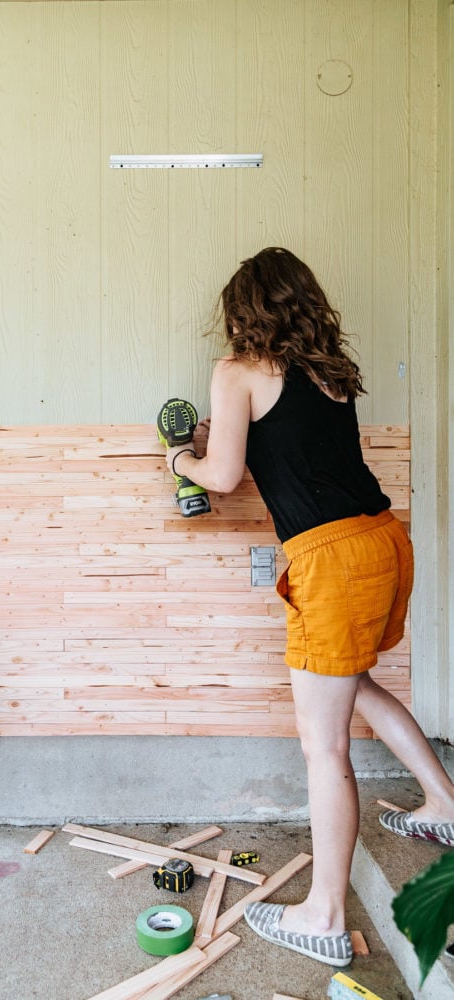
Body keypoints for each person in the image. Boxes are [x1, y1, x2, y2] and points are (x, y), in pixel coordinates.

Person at [165, 247, 454, 968]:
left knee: (322, 749)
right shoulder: (329, 373)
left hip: (331, 561)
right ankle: (445, 802)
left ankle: (322, 914)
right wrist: (218, 444)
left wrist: (181, 461)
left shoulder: (236, 371)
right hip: (383, 540)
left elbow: (223, 477)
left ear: (242, 309)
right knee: (353, 680)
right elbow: (285, 450)